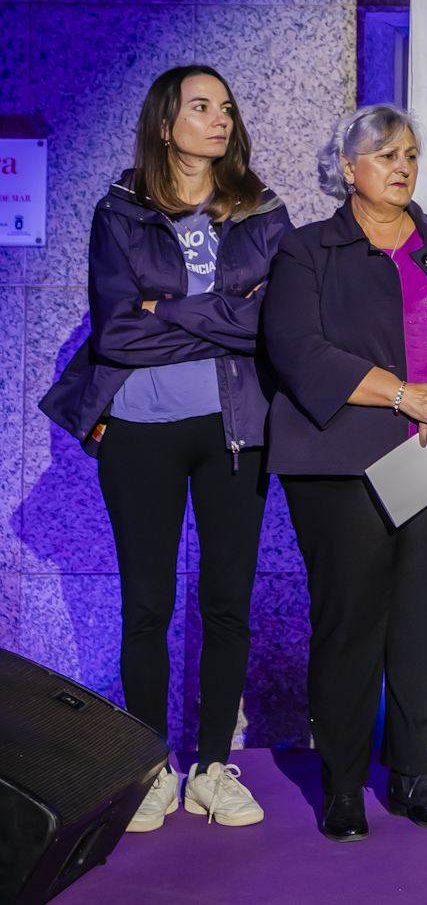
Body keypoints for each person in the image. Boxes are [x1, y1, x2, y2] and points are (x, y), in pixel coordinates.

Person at [39, 66, 292, 833]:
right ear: (163, 123)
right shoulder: (120, 210)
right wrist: (222, 312)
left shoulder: (261, 209)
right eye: (201, 106)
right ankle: (152, 768)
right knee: (147, 603)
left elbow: (272, 322)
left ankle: (212, 767)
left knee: (227, 601)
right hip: (139, 430)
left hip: (234, 428)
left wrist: (168, 309)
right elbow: (117, 331)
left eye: (226, 107)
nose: (220, 118)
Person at [262, 105, 427, 843]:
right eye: (384, 155)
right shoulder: (307, 250)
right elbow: (296, 346)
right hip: (344, 463)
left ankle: (412, 772)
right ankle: (343, 784)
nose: (401, 166)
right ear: (347, 169)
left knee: (426, 619)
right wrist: (407, 395)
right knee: (350, 621)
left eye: (409, 154)